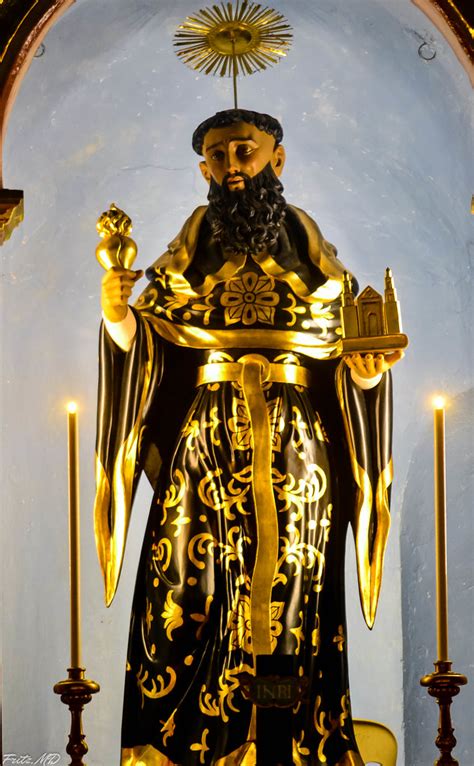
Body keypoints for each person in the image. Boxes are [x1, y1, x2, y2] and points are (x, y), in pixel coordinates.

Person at [95, 109, 402, 766]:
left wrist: (368, 381)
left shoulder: (318, 260)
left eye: (246, 151)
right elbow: (148, 349)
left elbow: (349, 358)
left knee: (298, 593)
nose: (233, 167)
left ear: (277, 160)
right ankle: (195, 746)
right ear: (203, 169)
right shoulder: (186, 255)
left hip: (299, 458)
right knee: (189, 588)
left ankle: (290, 744)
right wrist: (118, 312)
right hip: (203, 457)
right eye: (218, 155)